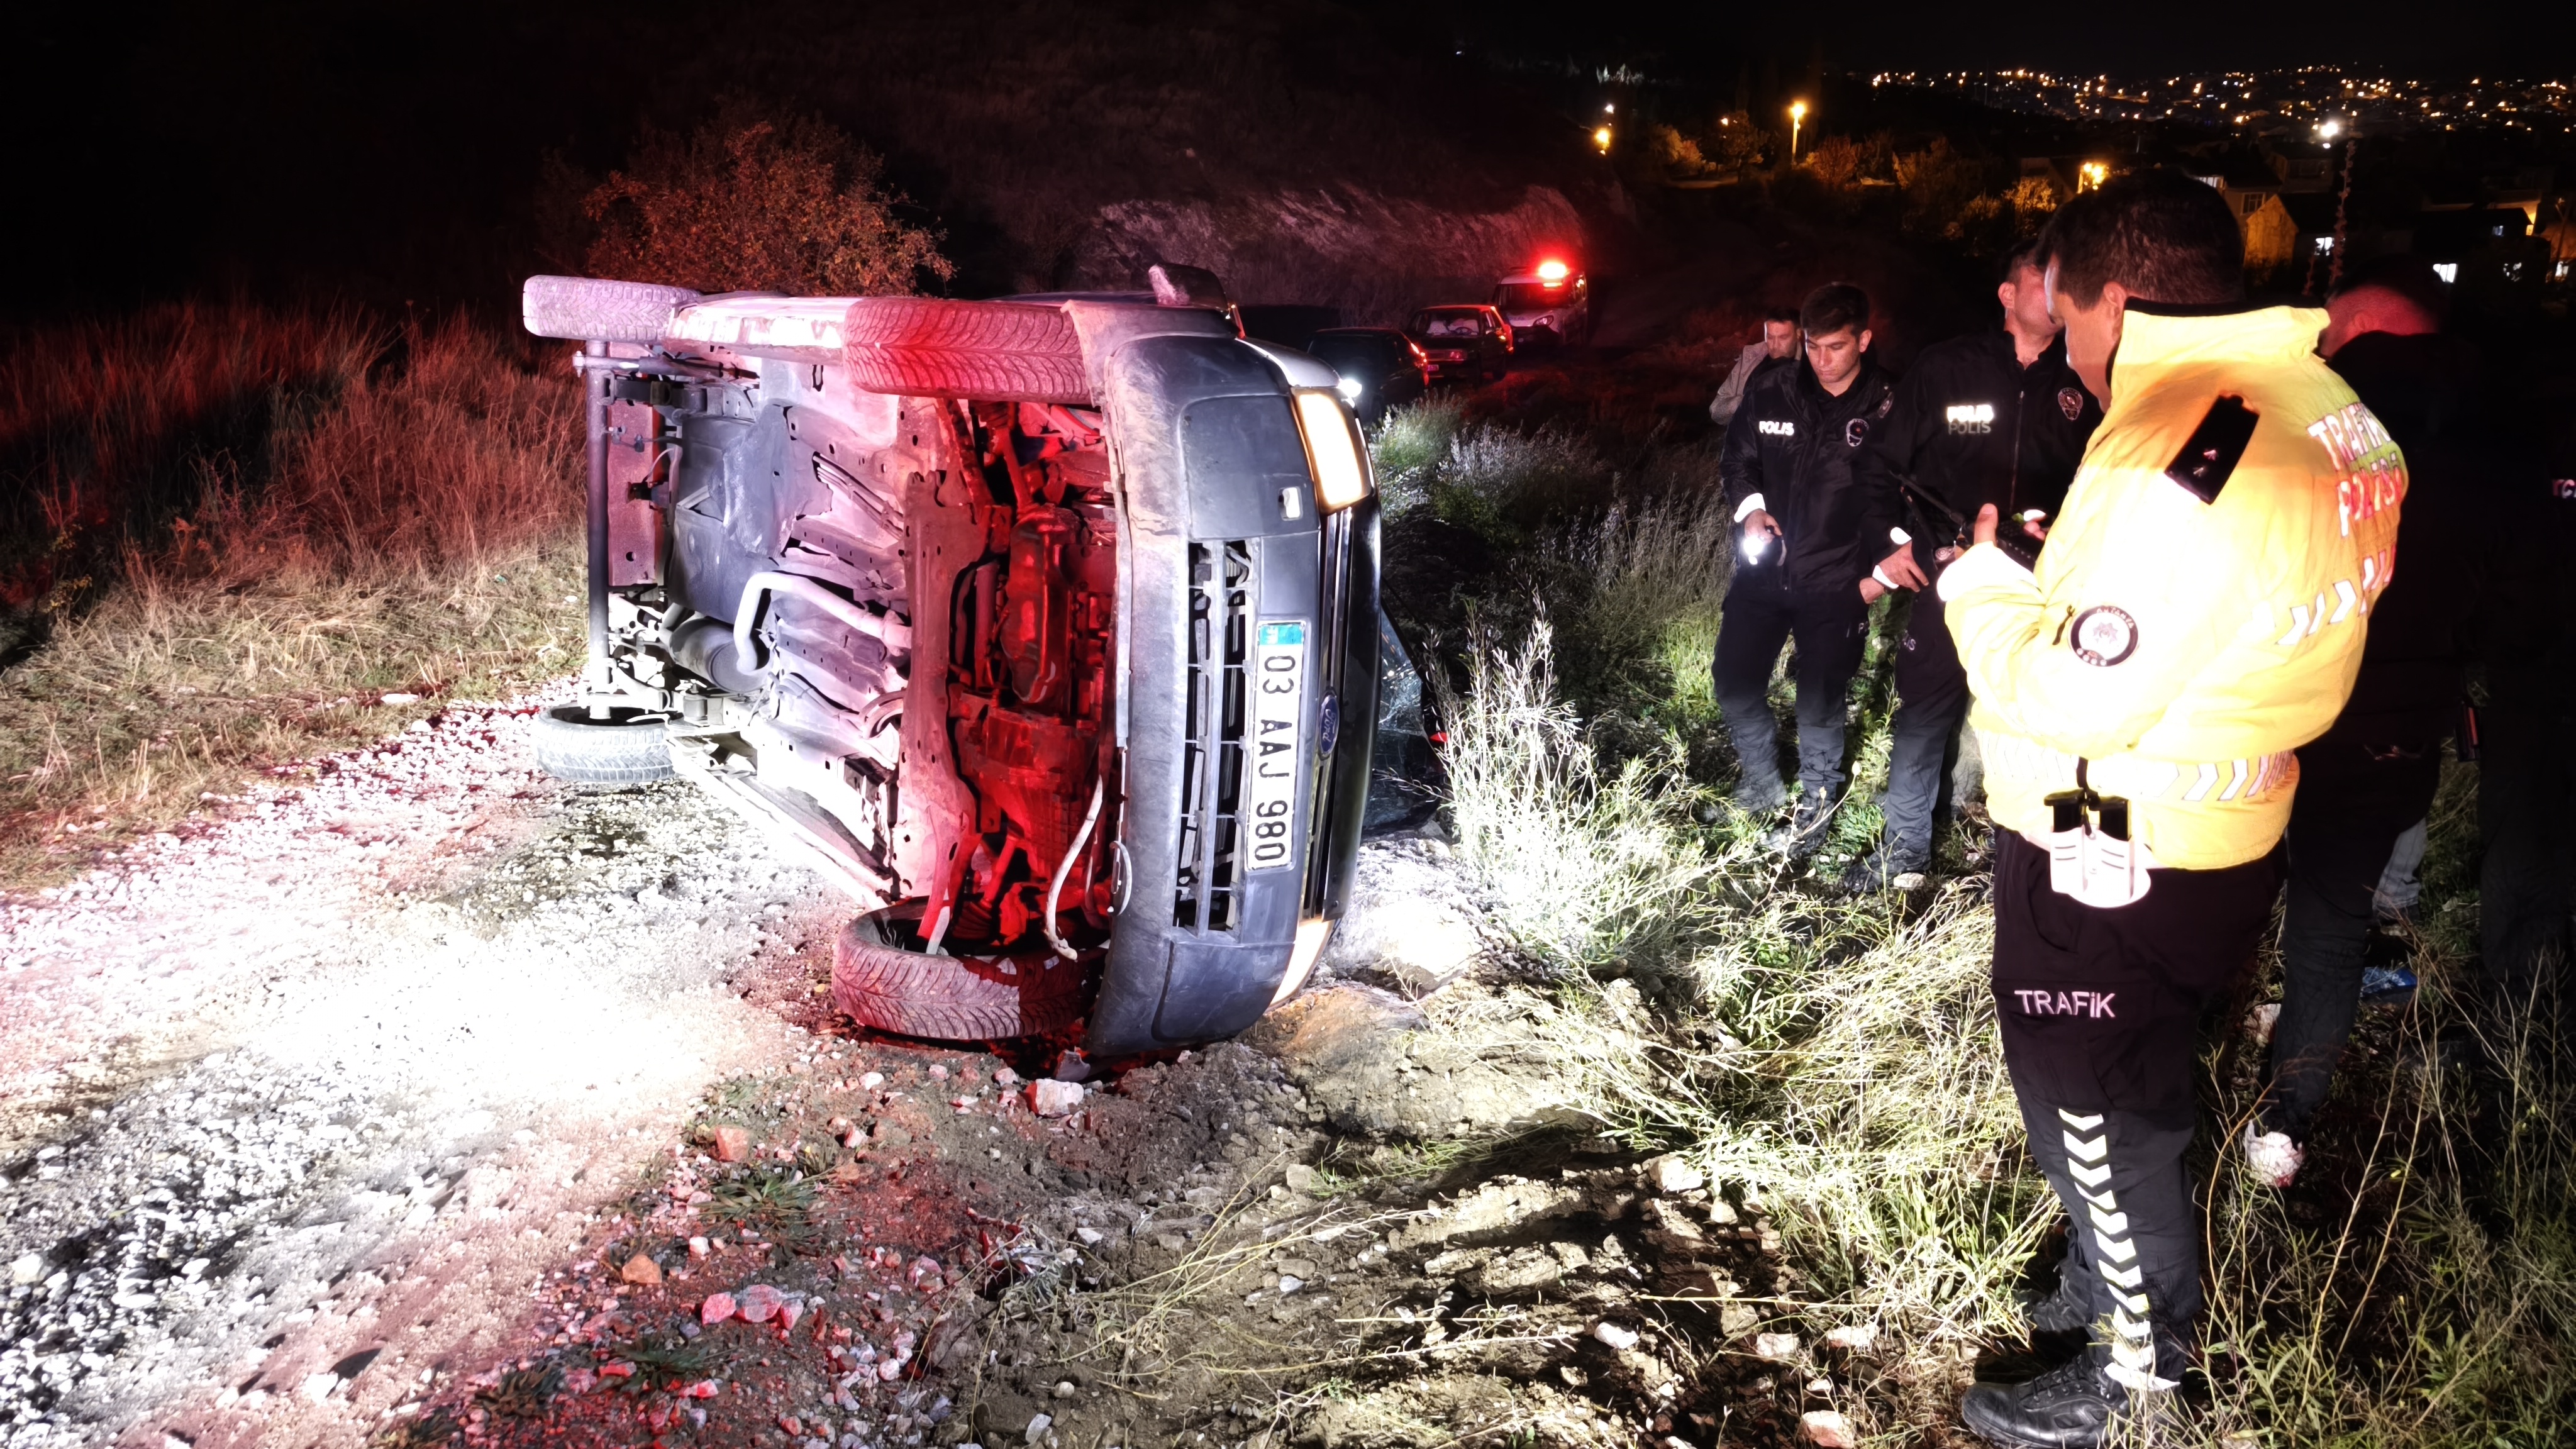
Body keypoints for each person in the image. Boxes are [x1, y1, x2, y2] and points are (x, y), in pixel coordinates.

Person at [1939, 169, 2402, 1446]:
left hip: (2116, 843)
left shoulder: (2178, 448)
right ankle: (2105, 1266)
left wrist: (1981, 585)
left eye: (2071, 317)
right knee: (2127, 1076)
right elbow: (2219, 609)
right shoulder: (2333, 410)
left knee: (2093, 1097)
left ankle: (2142, 1365)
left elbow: (2077, 702)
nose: (2071, 350)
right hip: (2225, 821)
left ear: (2115, 301)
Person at [2249, 257, 2483, 1185]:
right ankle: (2288, 1116)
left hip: (2284, 709)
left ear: (2351, 340)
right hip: (2395, 727)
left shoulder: (2308, 426)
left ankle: (2248, 1062)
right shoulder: (2486, 441)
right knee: (2331, 919)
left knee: (2249, 891)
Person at [1843, 243, 2102, 892]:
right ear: (2007, 296)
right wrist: (1887, 542)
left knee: (2040, 719)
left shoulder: (2088, 380)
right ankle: (1904, 851)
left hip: (2045, 584)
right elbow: (1878, 465)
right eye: (2037, 283)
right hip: (1948, 570)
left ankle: (2030, 860)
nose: (2052, 295)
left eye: (2059, 284)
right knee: (1926, 712)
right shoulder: (1945, 369)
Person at [1716, 283, 1904, 853]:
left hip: (1838, 582)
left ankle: (1817, 810)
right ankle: (1763, 785)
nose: (1822, 360)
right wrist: (1750, 513)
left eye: (1837, 347)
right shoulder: (1772, 388)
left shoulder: (1891, 405)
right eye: (1813, 346)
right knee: (1734, 682)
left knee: (1820, 701)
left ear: (1865, 340)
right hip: (1763, 575)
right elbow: (1738, 460)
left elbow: (1911, 499)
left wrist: (1877, 581)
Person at [1709, 308, 1801, 427]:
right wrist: (1746, 401)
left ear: (1798, 334)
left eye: (1783, 338)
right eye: (1770, 337)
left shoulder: (1816, 364)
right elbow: (1716, 412)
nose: (1775, 346)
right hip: (1748, 442)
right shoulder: (1751, 359)